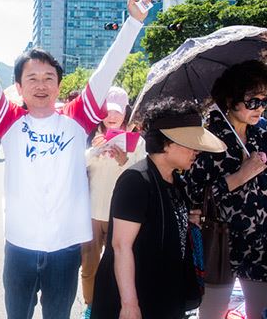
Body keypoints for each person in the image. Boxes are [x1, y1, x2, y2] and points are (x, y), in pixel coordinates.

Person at [0, 0, 150, 317]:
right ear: (19, 87)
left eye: (48, 78)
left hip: (66, 248)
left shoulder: (77, 118)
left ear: (58, 83)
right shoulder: (9, 121)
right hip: (19, 247)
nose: (41, 85)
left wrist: (133, 23)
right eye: (32, 79)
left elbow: (106, 70)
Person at [90, 100, 227, 319]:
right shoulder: (136, 181)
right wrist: (129, 304)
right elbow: (121, 246)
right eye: (190, 143)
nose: (196, 151)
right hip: (135, 295)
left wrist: (184, 220)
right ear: (167, 143)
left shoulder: (176, 181)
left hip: (165, 292)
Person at [183, 60, 267, 319]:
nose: (259, 107)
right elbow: (193, 197)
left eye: (264, 100)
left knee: (265, 316)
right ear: (231, 100)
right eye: (251, 101)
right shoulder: (206, 142)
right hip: (221, 245)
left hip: (266, 247)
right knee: (211, 315)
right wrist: (239, 176)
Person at [80, 87, 146, 318]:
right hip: (91, 211)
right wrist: (94, 151)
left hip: (121, 214)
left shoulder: (136, 142)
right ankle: (90, 304)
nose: (112, 116)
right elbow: (76, 167)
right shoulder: (90, 136)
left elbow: (142, 174)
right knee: (88, 265)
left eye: (117, 112)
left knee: (117, 263)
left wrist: (123, 160)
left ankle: (112, 304)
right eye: (107, 111)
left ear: (125, 112)